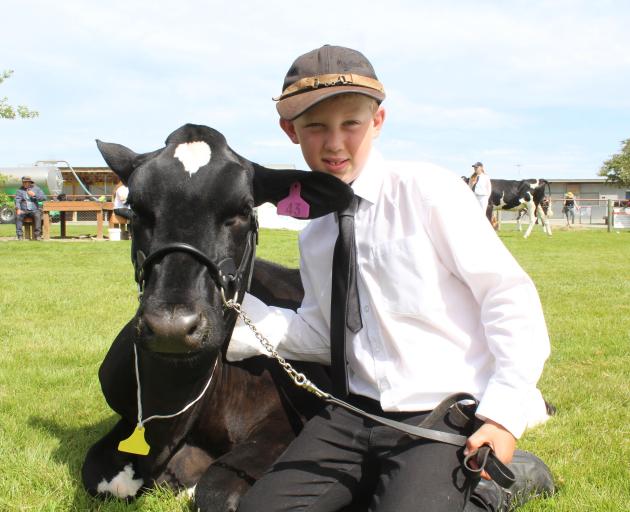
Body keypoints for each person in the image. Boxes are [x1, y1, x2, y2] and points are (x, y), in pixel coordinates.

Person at [227, 45, 554, 512]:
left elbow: (507, 297)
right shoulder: (316, 233)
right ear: (290, 130)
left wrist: (502, 415)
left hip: (439, 415)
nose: (334, 143)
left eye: (351, 124)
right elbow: (321, 333)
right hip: (354, 414)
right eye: (316, 127)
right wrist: (243, 321)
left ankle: (495, 485)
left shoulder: (430, 192)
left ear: (377, 121)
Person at [14, 176, 46, 240]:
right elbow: (17, 200)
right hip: (23, 210)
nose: (25, 184)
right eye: (24, 183)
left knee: (37, 214)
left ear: (30, 183)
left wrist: (34, 195)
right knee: (18, 215)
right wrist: (18, 209)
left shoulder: (37, 189)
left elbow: (44, 198)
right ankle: (19, 235)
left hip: (34, 210)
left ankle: (37, 235)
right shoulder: (19, 190)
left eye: (27, 182)